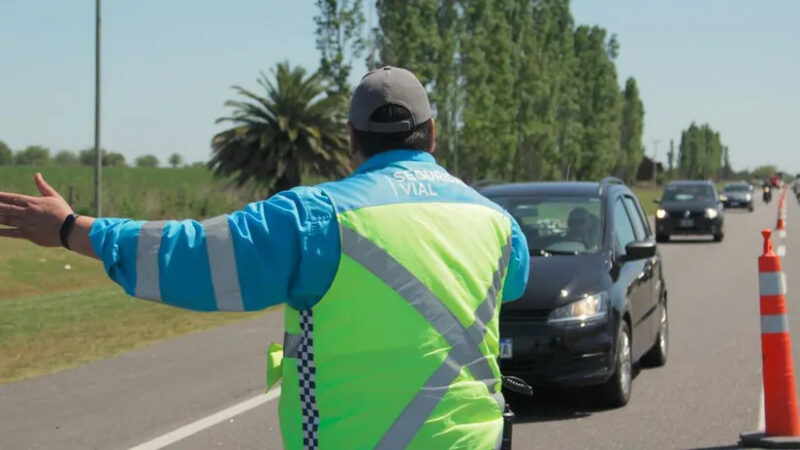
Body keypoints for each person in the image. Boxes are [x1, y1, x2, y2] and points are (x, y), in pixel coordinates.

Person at [0, 66, 530, 449]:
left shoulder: (313, 219)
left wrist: (71, 229)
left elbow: (189, 255)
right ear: (432, 134)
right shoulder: (496, 222)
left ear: (351, 139)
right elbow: (514, 284)